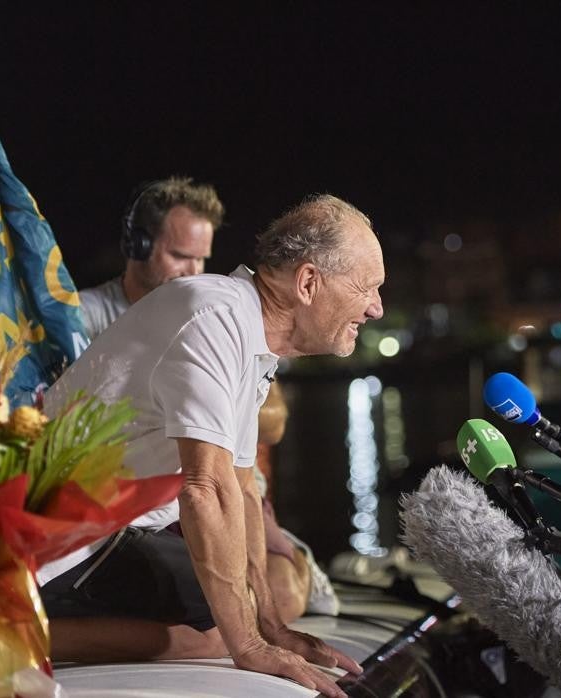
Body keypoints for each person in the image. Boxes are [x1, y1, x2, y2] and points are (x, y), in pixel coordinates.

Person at [38, 194, 383, 697]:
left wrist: (270, 627)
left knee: (251, 608)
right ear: (308, 283)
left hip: (114, 528)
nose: (376, 306)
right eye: (367, 287)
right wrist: (249, 646)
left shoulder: (246, 332)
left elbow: (240, 488)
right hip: (62, 539)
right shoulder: (214, 318)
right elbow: (205, 491)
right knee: (217, 632)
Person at [79, 176, 223, 337]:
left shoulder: (204, 323)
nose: (194, 272)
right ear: (139, 246)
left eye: (199, 259)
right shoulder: (82, 316)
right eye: (180, 256)